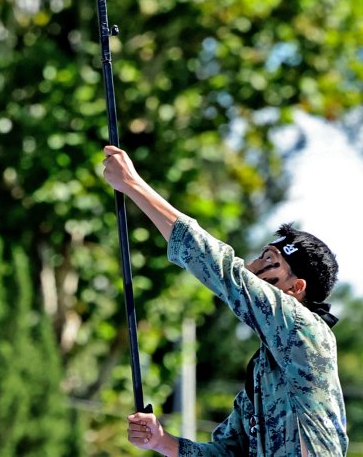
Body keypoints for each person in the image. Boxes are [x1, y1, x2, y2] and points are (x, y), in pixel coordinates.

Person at [101, 145, 348, 456]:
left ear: (295, 288)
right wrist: (160, 441)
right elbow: (226, 453)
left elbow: (222, 270)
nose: (251, 265)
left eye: (267, 260)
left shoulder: (304, 329)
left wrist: (133, 185)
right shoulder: (263, 372)